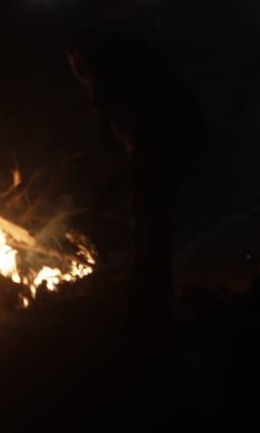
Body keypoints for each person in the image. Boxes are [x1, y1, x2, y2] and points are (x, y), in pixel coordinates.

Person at [67, 29, 202, 325]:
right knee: (148, 216)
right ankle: (150, 292)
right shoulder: (121, 85)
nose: (80, 77)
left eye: (81, 69)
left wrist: (118, 187)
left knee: (150, 218)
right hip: (169, 138)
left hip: (174, 140)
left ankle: (150, 299)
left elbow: (145, 152)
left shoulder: (134, 97)